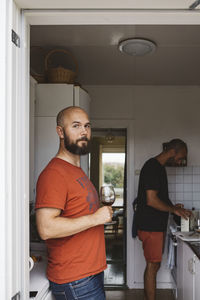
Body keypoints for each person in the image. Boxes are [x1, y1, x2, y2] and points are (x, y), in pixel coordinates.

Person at [35, 106, 113, 300]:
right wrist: (95, 219)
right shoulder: (54, 173)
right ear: (60, 131)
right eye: (76, 126)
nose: (83, 131)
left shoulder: (76, 171)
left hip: (89, 273)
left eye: (87, 126)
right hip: (75, 279)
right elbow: (46, 228)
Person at [135, 139, 191, 300]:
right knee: (153, 266)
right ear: (173, 152)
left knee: (154, 264)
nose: (181, 161)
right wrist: (174, 209)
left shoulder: (158, 168)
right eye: (181, 157)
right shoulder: (153, 167)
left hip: (153, 225)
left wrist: (174, 207)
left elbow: (159, 198)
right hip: (150, 226)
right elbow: (151, 200)